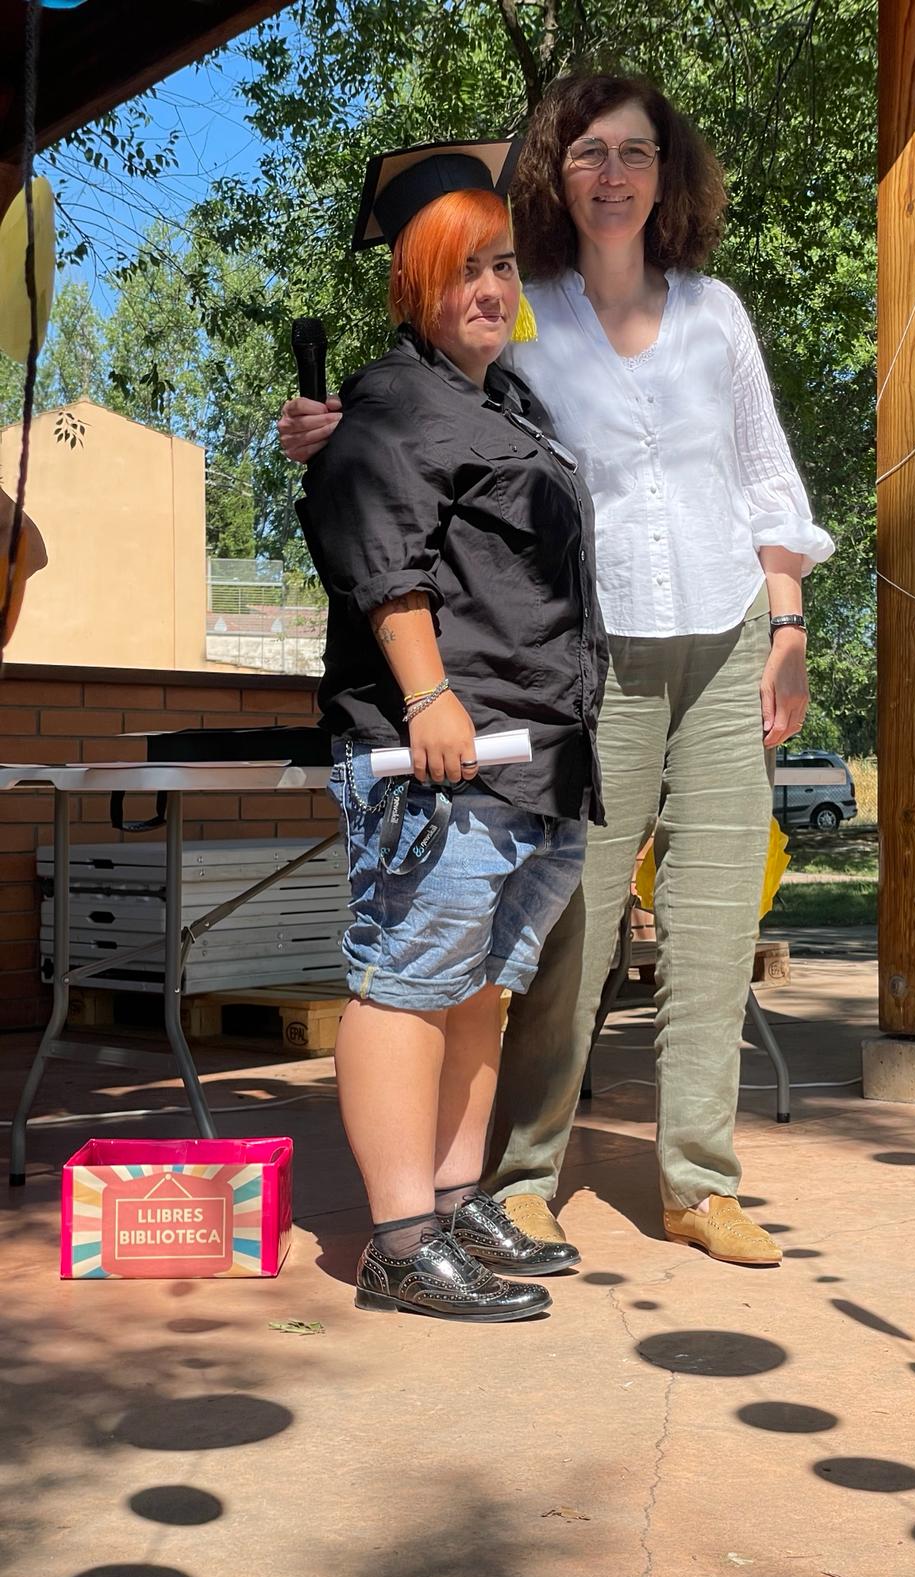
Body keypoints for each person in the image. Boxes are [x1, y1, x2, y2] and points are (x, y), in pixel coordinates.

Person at [281, 76, 833, 1269]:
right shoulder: (526, 309)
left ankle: (700, 1180)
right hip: (595, 655)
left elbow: (765, 477)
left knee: (712, 919)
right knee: (563, 931)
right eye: (589, 152)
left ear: (667, 172)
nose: (614, 174)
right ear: (555, 175)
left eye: (636, 151)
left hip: (727, 629)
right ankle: (522, 1175)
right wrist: (342, 429)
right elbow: (434, 419)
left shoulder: (715, 313)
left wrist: (787, 627)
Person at [295, 138, 607, 1320]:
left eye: (502, 265)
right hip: (444, 756)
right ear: (411, 284)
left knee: (476, 987)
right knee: (407, 985)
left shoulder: (507, 403)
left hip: (532, 757)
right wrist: (430, 697)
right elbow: (387, 558)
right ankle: (397, 1241)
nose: (490, 287)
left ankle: (456, 1198)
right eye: (462, 268)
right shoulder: (390, 400)